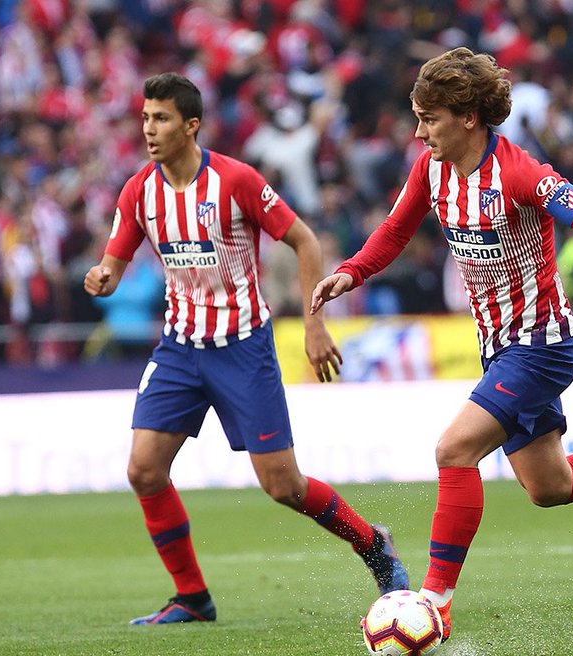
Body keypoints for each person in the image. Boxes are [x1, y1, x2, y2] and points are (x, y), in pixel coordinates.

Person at [310, 48, 573, 641]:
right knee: (549, 486)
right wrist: (351, 272)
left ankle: (433, 603)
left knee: (454, 450)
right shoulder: (430, 171)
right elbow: (395, 229)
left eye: (428, 118)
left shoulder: (518, 172)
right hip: (498, 347)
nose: (418, 130)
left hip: (542, 344)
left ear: (466, 117)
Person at [84, 73, 408, 625]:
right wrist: (103, 276)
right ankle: (192, 597)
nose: (149, 129)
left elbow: (304, 240)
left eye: (160, 119)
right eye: (144, 118)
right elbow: (113, 261)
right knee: (144, 470)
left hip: (242, 347)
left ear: (191, 125)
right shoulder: (140, 190)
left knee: (283, 486)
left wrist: (313, 324)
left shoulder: (235, 181)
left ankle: (372, 543)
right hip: (180, 348)